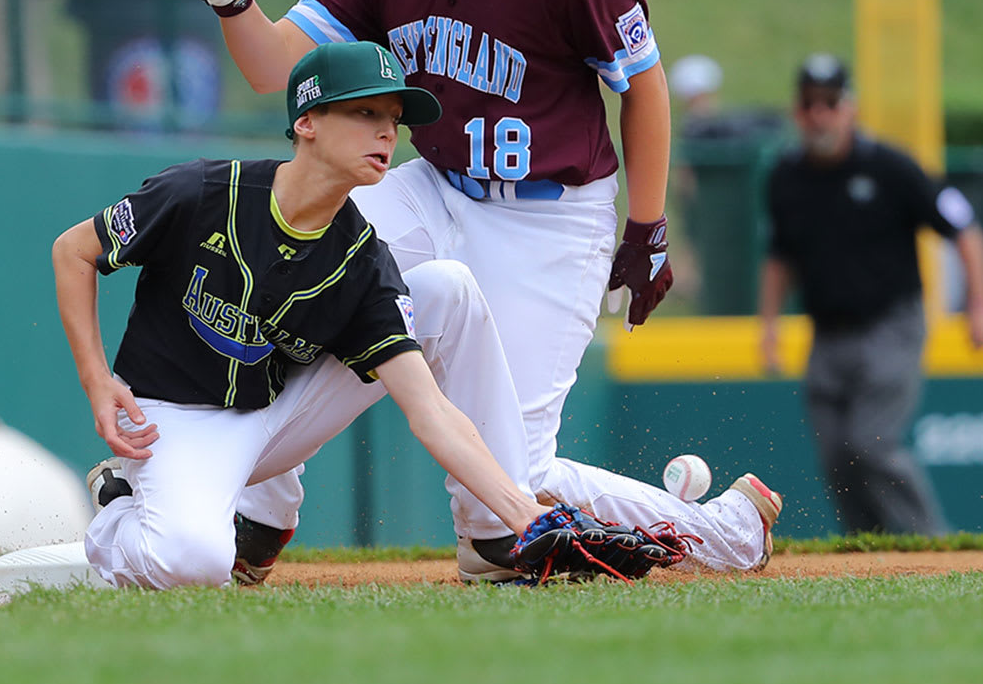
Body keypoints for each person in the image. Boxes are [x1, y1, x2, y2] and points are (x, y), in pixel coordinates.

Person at [149, 0, 709, 584]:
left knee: (508, 494)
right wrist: (237, 4)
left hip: (548, 221)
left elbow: (645, 85)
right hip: (436, 190)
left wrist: (646, 226)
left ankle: (726, 533)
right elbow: (274, 67)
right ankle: (259, 517)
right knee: (281, 251)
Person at [57, 41, 775, 590]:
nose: (386, 134)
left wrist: (529, 517)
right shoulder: (204, 191)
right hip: (171, 419)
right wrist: (97, 381)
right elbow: (73, 252)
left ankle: (498, 533)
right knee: (195, 564)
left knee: (447, 289)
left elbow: (430, 411)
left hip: (269, 420)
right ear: (307, 120)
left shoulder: (361, 256)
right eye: (365, 113)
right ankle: (121, 513)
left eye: (394, 119)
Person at [758, 55, 983, 537]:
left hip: (891, 325)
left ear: (850, 108)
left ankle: (932, 542)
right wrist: (767, 327)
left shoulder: (890, 166)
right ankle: (870, 552)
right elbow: (779, 255)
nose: (819, 114)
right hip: (826, 333)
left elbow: (963, 227)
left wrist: (982, 302)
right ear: (796, 111)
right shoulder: (786, 176)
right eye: (810, 104)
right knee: (836, 458)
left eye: (830, 103)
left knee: (871, 442)